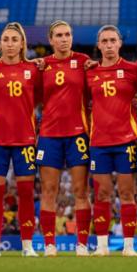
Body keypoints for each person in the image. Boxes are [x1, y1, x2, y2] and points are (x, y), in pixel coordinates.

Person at [0, 22, 41, 257]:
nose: (9, 44)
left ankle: (27, 246)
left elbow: (40, 97)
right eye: (6, 39)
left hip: (25, 139)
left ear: (22, 44)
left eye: (14, 40)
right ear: (1, 43)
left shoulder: (34, 70)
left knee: (26, 193)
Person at [37, 20, 91, 257]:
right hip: (49, 135)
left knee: (81, 191)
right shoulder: (41, 66)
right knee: (49, 191)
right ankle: (50, 244)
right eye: (58, 35)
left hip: (78, 133)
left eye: (67, 34)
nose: (64, 38)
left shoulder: (84, 62)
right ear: (50, 40)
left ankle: (82, 244)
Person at [86, 25, 137, 257]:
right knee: (102, 194)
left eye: (112, 41)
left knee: (127, 193)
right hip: (98, 141)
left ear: (120, 43)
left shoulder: (133, 70)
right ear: (98, 45)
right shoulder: (89, 72)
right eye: (104, 41)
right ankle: (102, 246)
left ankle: (129, 246)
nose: (108, 45)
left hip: (126, 140)